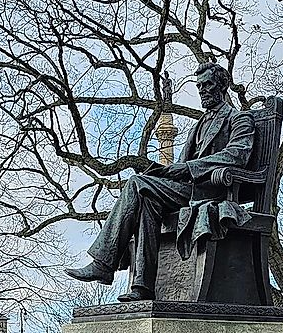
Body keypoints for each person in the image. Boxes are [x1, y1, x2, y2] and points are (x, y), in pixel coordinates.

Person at [64, 62, 255, 302]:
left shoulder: (239, 119)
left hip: (211, 191)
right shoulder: (199, 125)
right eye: (199, 86)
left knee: (136, 183)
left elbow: (236, 154)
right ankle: (142, 287)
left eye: (207, 84)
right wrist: (166, 172)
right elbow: (183, 163)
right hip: (187, 189)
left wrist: (187, 168)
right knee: (146, 202)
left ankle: (104, 263)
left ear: (223, 85)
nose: (202, 90)